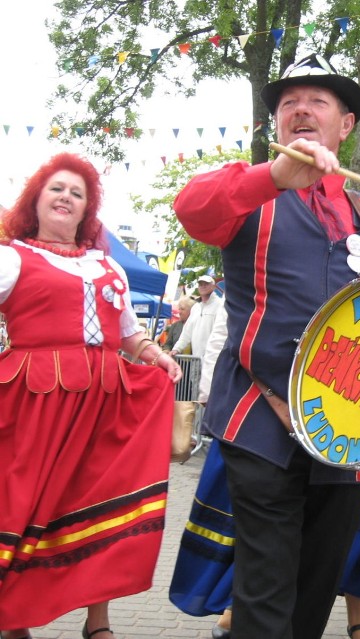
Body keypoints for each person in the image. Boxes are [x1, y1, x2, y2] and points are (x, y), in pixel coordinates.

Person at [172, 52, 360, 639]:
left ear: (344, 125)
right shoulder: (250, 189)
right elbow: (191, 208)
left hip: (348, 428)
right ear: (276, 125)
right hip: (259, 419)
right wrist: (272, 177)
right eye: (289, 102)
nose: (301, 110)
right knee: (266, 591)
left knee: (317, 585)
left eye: (318, 101)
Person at [0, 152, 182, 639]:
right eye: (56, 188)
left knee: (102, 501)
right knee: (27, 505)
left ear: (86, 211)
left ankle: (97, 622)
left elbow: (126, 333)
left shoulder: (108, 268)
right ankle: (15, 619)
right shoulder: (11, 257)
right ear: (36, 201)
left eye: (77, 193)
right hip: (35, 403)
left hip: (105, 401)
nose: (66, 197)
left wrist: (152, 354)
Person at [169, 274, 223, 359]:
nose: (203, 286)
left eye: (206, 284)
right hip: (196, 359)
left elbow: (222, 333)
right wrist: (176, 349)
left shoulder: (220, 305)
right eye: (200, 284)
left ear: (213, 287)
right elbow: (186, 332)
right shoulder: (196, 308)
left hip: (214, 359)